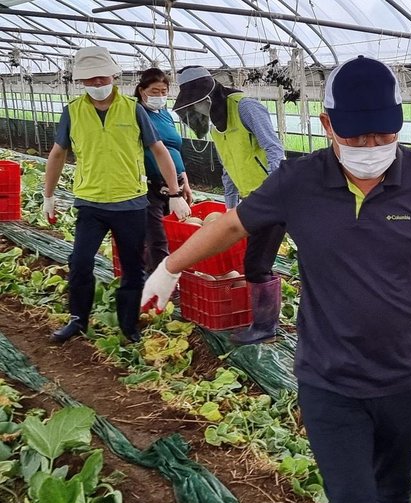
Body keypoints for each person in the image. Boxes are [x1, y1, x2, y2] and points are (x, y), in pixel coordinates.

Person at [141, 55, 411, 503]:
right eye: (356, 137)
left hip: (404, 375)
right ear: (327, 125)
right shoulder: (299, 183)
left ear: (398, 124)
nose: (370, 147)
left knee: (393, 491)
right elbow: (234, 223)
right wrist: (169, 268)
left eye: (383, 136)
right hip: (329, 378)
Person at [42, 47, 190, 345]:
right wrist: (48, 195)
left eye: (101, 78)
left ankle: (128, 324)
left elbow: (159, 151)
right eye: (89, 80)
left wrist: (174, 192)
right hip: (90, 201)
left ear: (113, 76)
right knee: (80, 262)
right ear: (81, 81)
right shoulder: (73, 110)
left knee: (133, 267)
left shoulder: (133, 109)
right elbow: (58, 153)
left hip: (131, 203)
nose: (97, 84)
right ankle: (78, 320)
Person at [171, 65, 286, 345]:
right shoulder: (217, 126)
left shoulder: (245, 108)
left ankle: (266, 327)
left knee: (258, 264)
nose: (195, 113)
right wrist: (229, 210)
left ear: (209, 96)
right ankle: (265, 325)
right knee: (258, 262)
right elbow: (228, 169)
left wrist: (274, 189)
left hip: (277, 196)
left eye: (196, 105)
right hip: (256, 200)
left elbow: (274, 148)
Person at [135, 67, 193, 273]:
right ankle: (157, 286)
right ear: (142, 91)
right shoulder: (136, 113)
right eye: (154, 91)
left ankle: (171, 278)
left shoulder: (166, 115)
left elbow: (175, 148)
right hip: (150, 185)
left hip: (174, 182)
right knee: (157, 238)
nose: (159, 96)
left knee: (175, 235)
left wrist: (184, 180)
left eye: (163, 91)